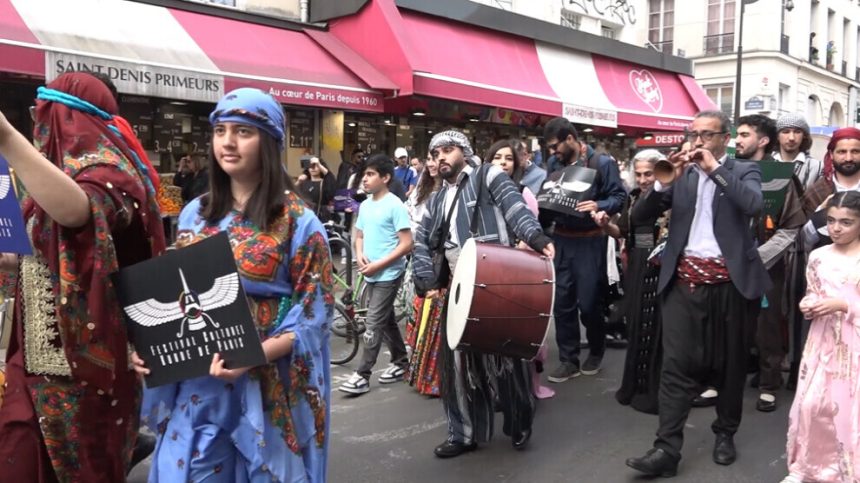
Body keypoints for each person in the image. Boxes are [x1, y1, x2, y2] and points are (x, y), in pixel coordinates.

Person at [135, 88, 333, 482]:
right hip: (198, 385)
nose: (227, 142)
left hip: (265, 386)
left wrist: (252, 356)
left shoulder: (299, 221)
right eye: (220, 130)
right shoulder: (195, 213)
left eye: (243, 131)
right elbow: (176, 292)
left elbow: (315, 313)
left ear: (269, 141)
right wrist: (149, 347)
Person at [0, 72, 166, 481]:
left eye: (43, 114)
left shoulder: (112, 173)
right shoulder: (52, 178)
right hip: (34, 357)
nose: (38, 125)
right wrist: (13, 260)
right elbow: (53, 255)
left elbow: (80, 211)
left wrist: (7, 139)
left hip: (86, 371)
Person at [626, 110, 771, 477]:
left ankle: (725, 433)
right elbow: (639, 216)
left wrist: (714, 169)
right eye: (694, 134)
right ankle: (666, 449)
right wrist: (662, 184)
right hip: (684, 282)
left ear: (725, 138)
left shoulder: (744, 170)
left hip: (730, 284)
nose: (699, 141)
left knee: (731, 364)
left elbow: (754, 205)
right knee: (675, 365)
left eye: (707, 134)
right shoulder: (682, 174)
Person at [412, 130, 554, 458]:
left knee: (507, 359)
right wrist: (424, 277)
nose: (441, 157)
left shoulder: (487, 175)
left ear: (464, 151)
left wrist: (536, 237)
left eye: (448, 150)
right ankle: (462, 434)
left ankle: (519, 421)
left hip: (496, 281)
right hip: (457, 287)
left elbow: (515, 208)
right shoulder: (435, 200)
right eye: (435, 153)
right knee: (457, 365)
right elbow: (421, 241)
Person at [540, 117, 627, 382]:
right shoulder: (554, 164)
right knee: (562, 303)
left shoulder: (602, 163)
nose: (553, 152)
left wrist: (599, 205)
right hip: (561, 239)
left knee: (589, 302)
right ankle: (568, 359)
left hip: (590, 240)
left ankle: (596, 349)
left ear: (570, 139)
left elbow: (619, 197)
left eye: (555, 146)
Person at [782, 191, 860, 483]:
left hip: (854, 345)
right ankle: (806, 467)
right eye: (831, 221)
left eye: (846, 222)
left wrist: (843, 305)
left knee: (850, 411)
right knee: (812, 404)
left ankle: (849, 471)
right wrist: (809, 304)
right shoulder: (818, 256)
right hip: (823, 339)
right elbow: (813, 292)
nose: (836, 228)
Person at [739, 115, 806, 413]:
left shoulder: (780, 176)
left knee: (767, 324)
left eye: (744, 134)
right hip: (729, 261)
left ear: (763, 140)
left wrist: (758, 258)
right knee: (729, 320)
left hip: (767, 263)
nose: (737, 140)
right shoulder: (726, 170)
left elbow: (790, 228)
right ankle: (721, 378)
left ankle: (769, 384)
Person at [339, 154, 413, 395]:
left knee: (372, 323)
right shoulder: (366, 205)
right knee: (386, 319)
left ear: (386, 177)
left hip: (389, 274)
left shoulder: (395, 205)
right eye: (365, 174)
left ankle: (363, 374)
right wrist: (360, 254)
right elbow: (359, 235)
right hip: (370, 273)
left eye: (370, 174)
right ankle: (401, 361)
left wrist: (379, 264)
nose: (365, 179)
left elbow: (406, 244)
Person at [487, 139, 553, 399]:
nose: (503, 163)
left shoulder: (524, 193)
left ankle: (527, 388)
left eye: (508, 158)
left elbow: (531, 230)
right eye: (497, 157)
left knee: (522, 333)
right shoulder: (478, 195)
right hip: (488, 271)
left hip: (519, 271)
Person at [611, 149, 671, 415]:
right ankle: (635, 386)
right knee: (637, 324)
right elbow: (622, 231)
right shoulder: (634, 197)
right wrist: (604, 225)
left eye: (649, 174)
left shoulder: (671, 196)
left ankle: (657, 390)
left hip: (664, 266)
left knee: (659, 328)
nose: (644, 179)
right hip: (637, 264)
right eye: (639, 174)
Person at [404, 151, 444, 396]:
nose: (431, 163)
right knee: (419, 315)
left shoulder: (455, 190)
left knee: (438, 323)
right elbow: (409, 219)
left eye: (436, 157)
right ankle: (421, 374)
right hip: (419, 259)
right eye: (429, 158)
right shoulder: (421, 189)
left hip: (442, 265)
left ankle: (438, 379)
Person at [773, 113, 824, 191]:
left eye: (797, 132)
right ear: (777, 136)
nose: (791, 138)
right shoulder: (765, 163)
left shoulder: (817, 167)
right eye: (786, 132)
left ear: (804, 136)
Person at [298, 156, 337, 222]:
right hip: (305, 216)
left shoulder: (326, 182)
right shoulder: (303, 182)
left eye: (316, 166)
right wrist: (298, 182)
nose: (313, 168)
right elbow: (291, 195)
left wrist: (319, 164)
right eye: (311, 165)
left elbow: (331, 194)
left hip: (321, 217)